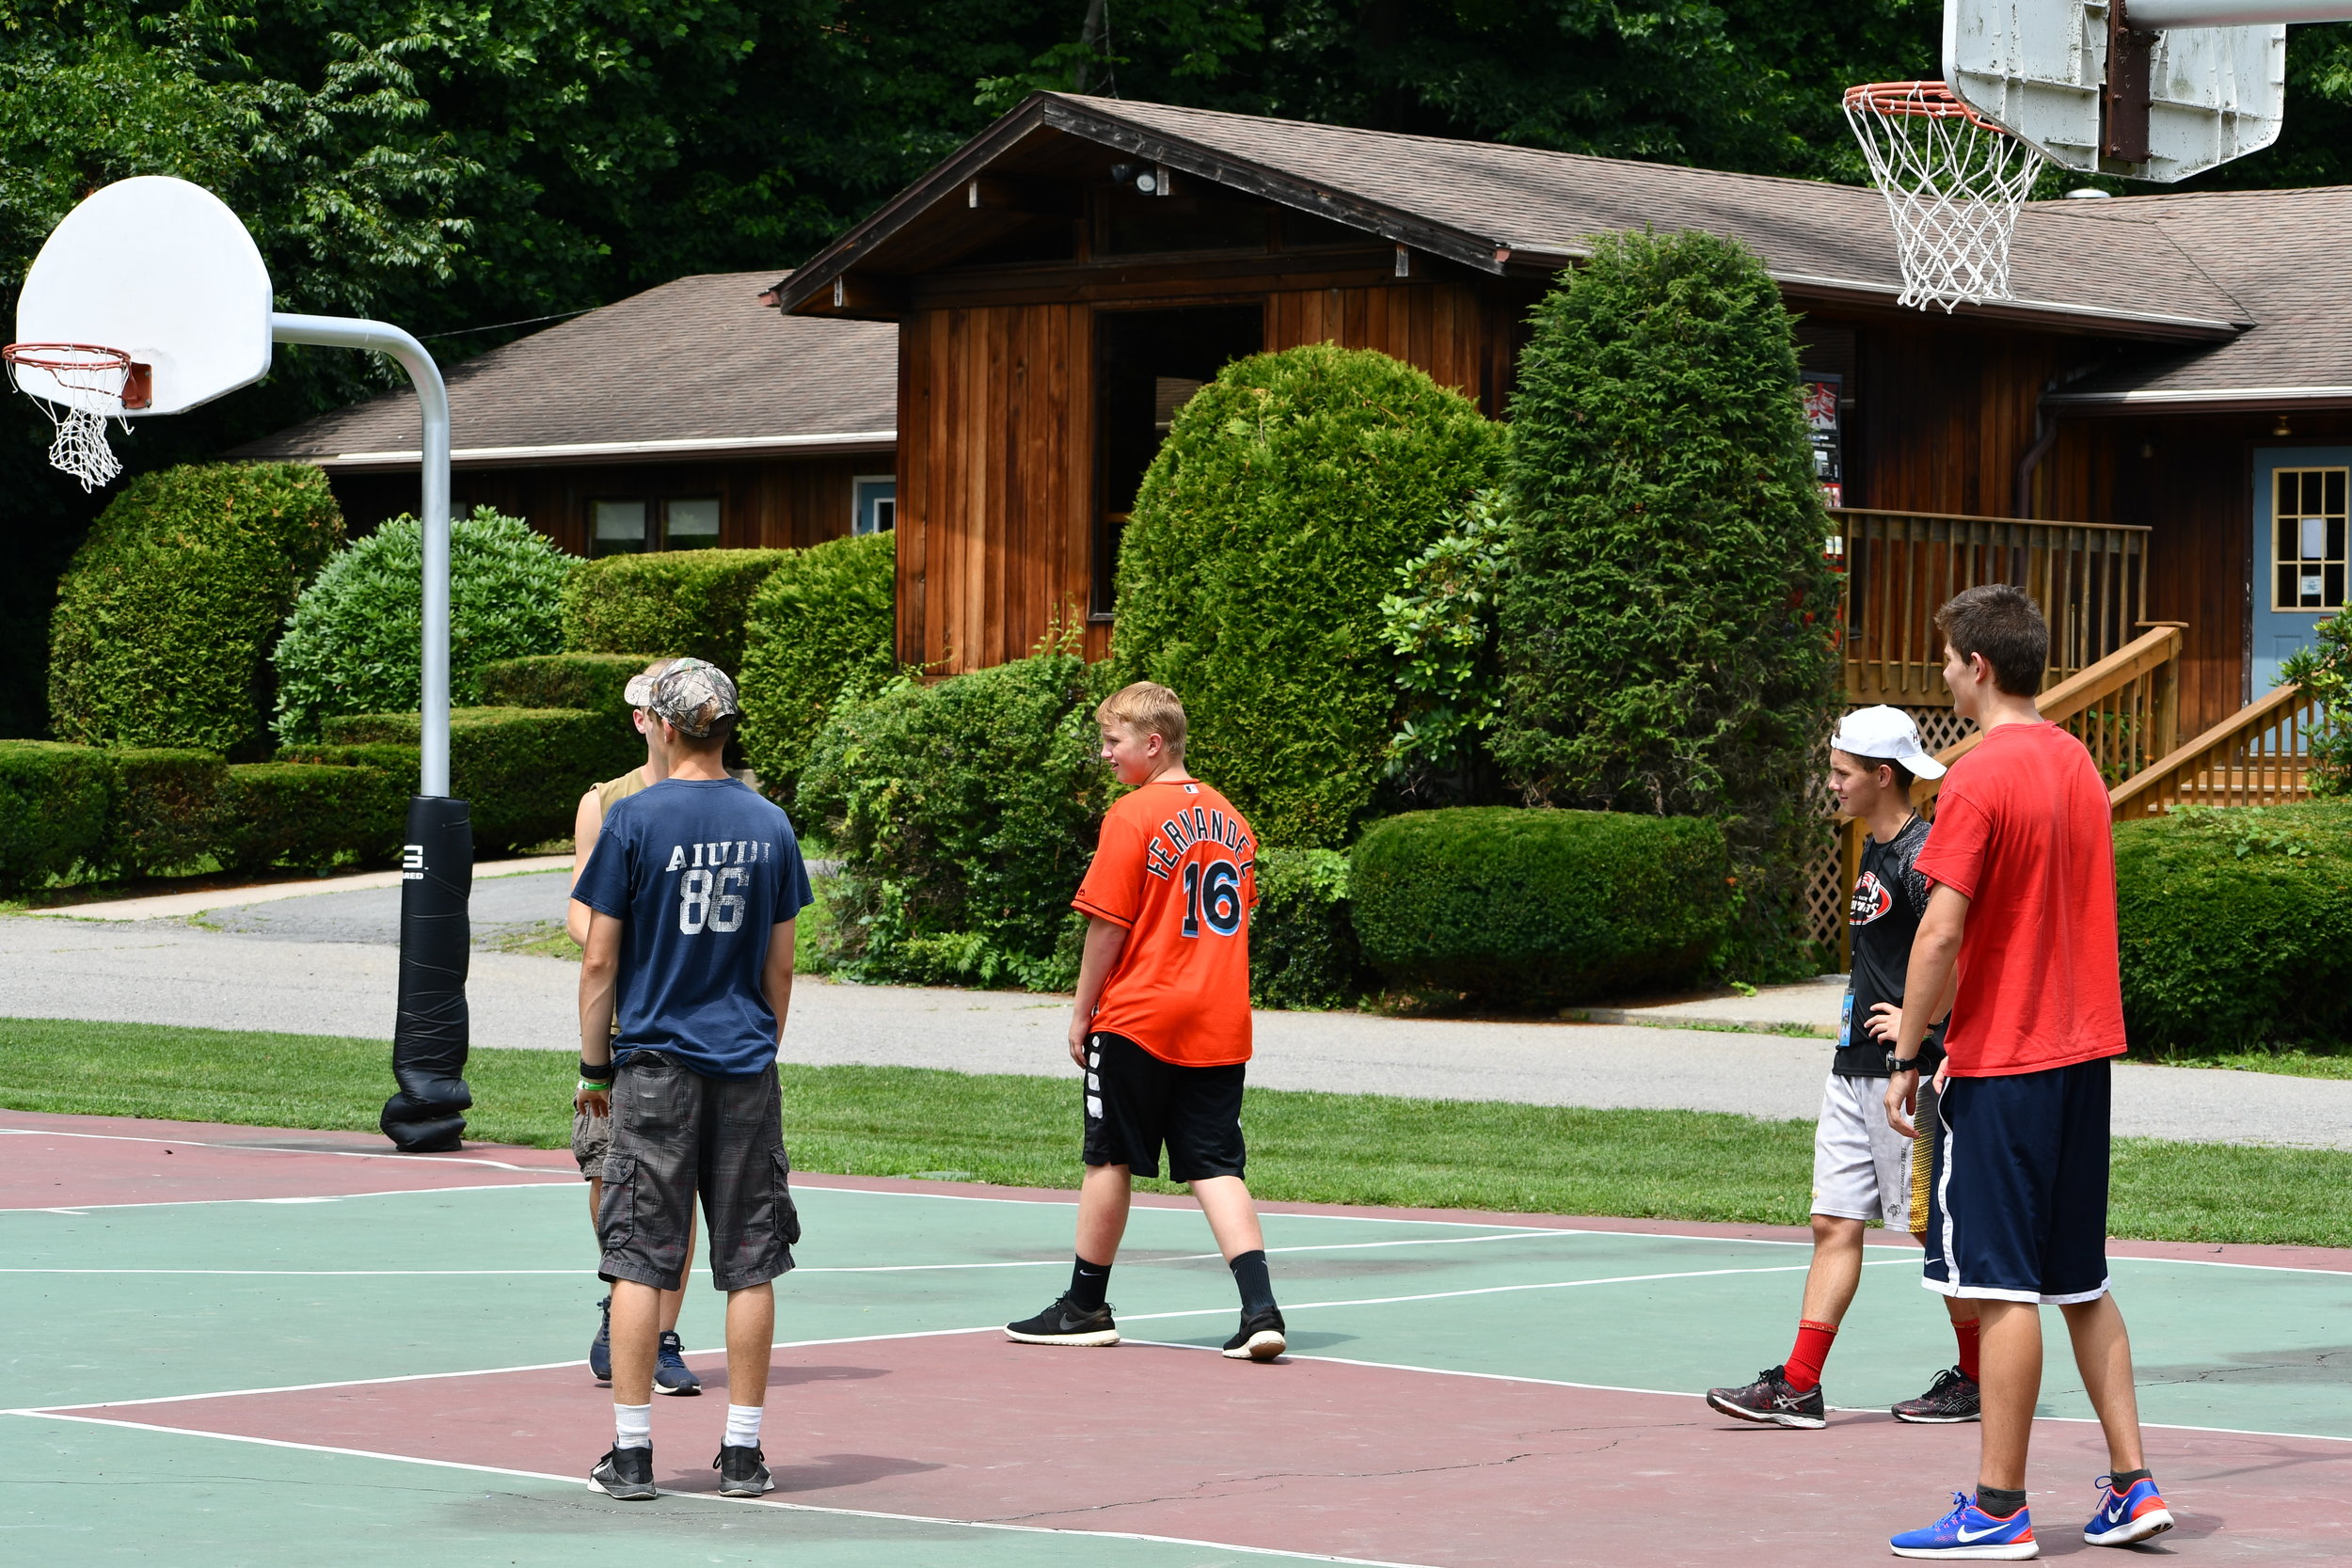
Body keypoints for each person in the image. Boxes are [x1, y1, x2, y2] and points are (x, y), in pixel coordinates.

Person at [1885, 586, 2171, 1558]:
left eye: (1946, 658)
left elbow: (1941, 929)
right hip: (2081, 1057)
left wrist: (1907, 1049)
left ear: (1977, 665)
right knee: (2079, 1279)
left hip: (2002, 1061)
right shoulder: (2077, 762)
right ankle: (2132, 1484)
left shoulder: (1976, 775)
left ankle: (1998, 1504)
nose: (1942, 672)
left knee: (2002, 1286)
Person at [1704, 706, 1982, 1431]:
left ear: (1881, 775)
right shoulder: (1873, 846)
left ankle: (1981, 1377)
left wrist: (1915, 1036)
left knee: (1932, 1230)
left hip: (1906, 1072)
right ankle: (1799, 1384)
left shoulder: (1925, 855)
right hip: (1850, 1064)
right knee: (1833, 1219)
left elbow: (1956, 947)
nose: (1832, 783)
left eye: (1841, 772)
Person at [573, 661, 813, 1502]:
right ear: (727, 728)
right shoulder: (771, 825)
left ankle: (633, 1451)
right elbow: (781, 967)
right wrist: (760, 1045)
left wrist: (594, 1066)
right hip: (745, 1064)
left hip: (655, 1066)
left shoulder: (632, 819)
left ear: (664, 728)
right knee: (750, 1260)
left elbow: (600, 955)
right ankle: (743, 1452)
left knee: (640, 1255)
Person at [1003, 681, 1288, 1361]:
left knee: (1110, 1155)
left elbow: (1108, 925)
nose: (1105, 753)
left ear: (1153, 743)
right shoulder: (1233, 819)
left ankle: (1083, 1303)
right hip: (1218, 1017)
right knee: (1215, 1164)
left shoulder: (1132, 816)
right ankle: (1260, 1308)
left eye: (1113, 741)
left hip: (1140, 1013)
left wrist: (1080, 1013)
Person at [570, 657, 702, 1397]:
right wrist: (620, 938)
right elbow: (579, 910)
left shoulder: (720, 800)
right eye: (654, 708)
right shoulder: (607, 802)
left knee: (676, 1191)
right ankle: (619, 1297)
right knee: (607, 1171)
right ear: (642, 720)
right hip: (622, 1017)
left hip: (684, 1026)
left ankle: (660, 1332)